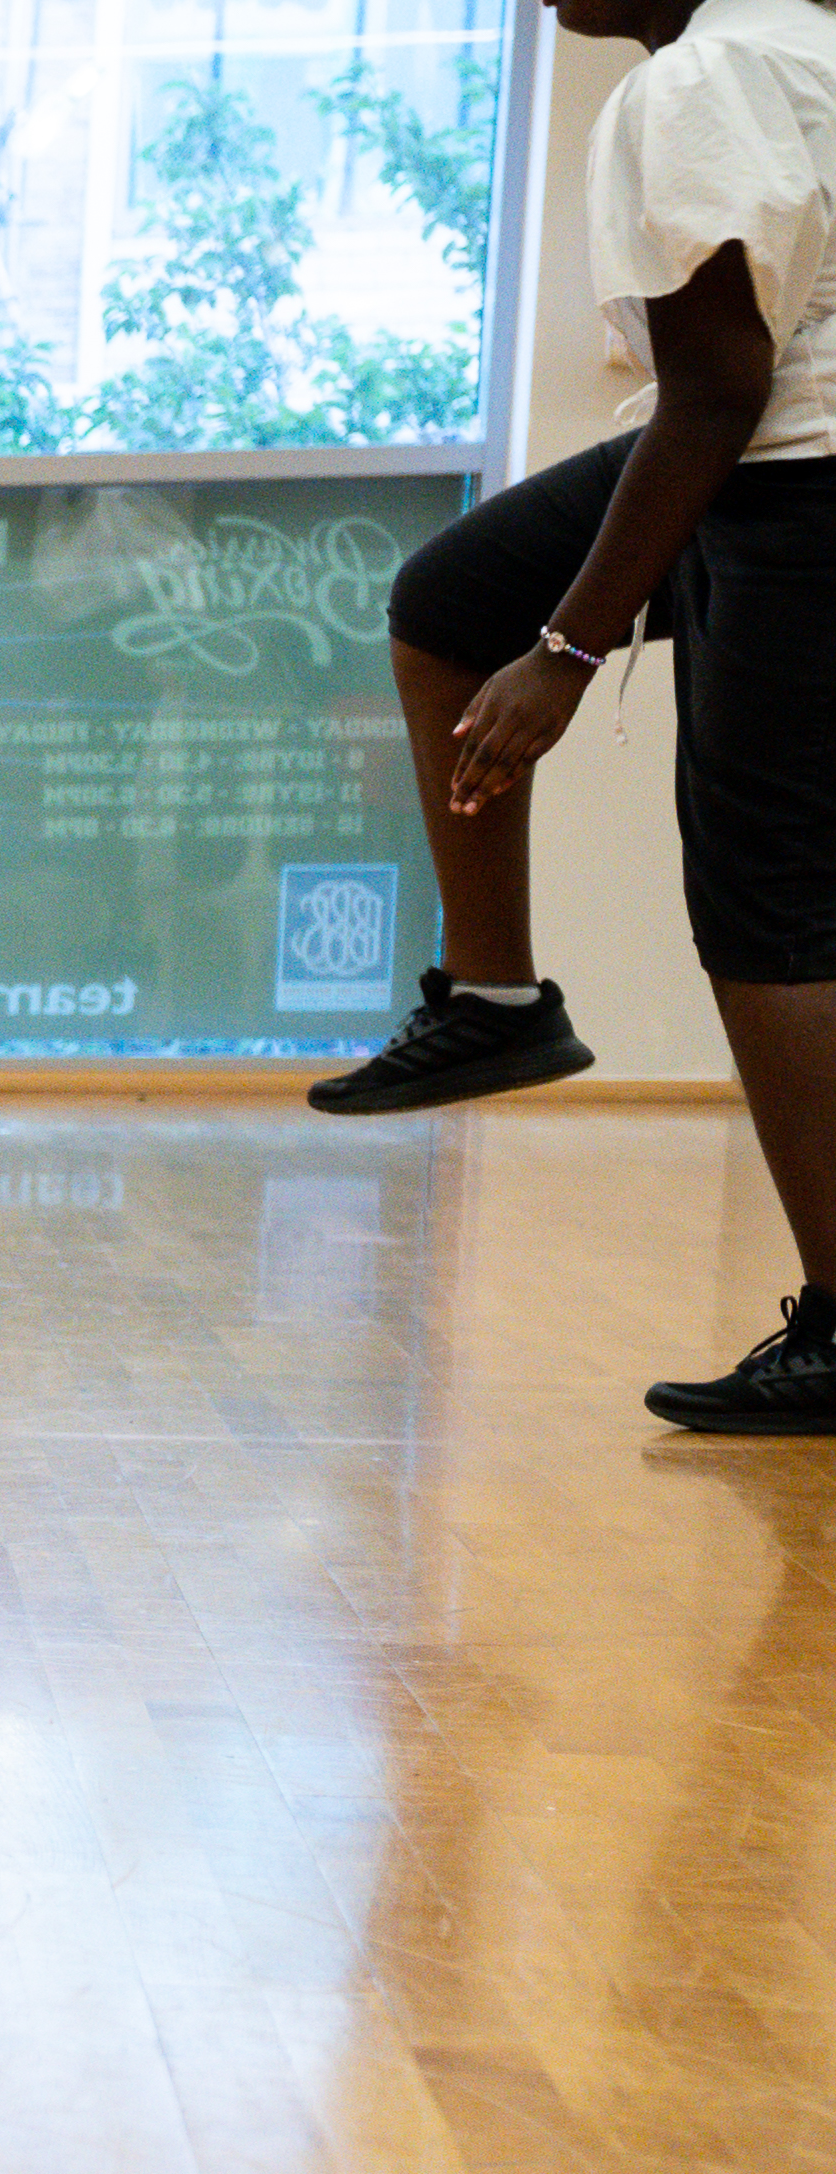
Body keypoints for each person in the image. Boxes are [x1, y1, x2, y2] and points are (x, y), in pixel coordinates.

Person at [324, 0, 836, 1433]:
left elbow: (719, 387)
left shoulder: (707, 76)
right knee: (445, 600)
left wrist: (567, 648)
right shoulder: (788, 46)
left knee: (769, 906)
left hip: (792, 481)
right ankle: (494, 999)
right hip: (760, 451)